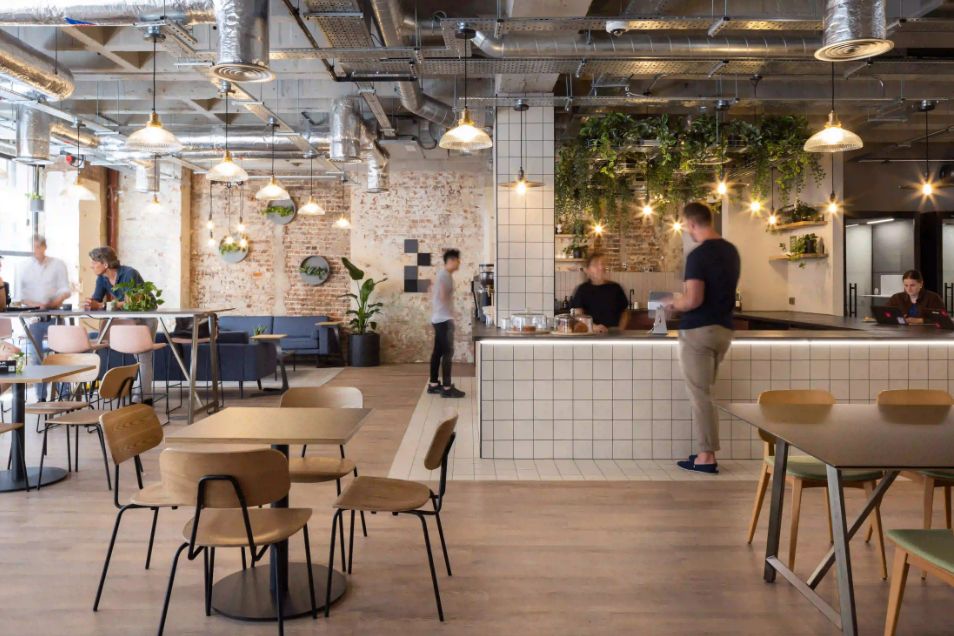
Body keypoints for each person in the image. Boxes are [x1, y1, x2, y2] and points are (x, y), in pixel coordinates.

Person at [663, 202, 740, 474]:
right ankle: (705, 452)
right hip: (723, 330)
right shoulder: (731, 251)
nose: (687, 230)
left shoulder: (698, 255)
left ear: (692, 223)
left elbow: (694, 299)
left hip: (699, 331)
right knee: (705, 392)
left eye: (686, 225)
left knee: (700, 396)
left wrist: (673, 303)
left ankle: (707, 456)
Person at [84, 247, 155, 402]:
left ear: (105, 264)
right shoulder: (102, 278)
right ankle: (138, 393)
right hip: (128, 318)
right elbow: (97, 300)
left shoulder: (129, 273)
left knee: (143, 356)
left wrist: (102, 305)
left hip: (146, 316)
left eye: (94, 262)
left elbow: (132, 301)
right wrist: (90, 304)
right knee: (138, 356)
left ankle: (145, 397)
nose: (91, 266)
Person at [15, 236, 71, 400]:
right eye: (33, 247)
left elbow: (65, 290)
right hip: (34, 318)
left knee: (61, 356)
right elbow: (19, 296)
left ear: (45, 247)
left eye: (39, 247)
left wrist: (53, 303)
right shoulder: (23, 267)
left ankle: (65, 394)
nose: (36, 250)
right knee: (36, 357)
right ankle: (41, 397)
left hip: (55, 315)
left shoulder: (57, 264)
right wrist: (36, 305)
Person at [428, 249, 465, 398]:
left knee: (438, 352)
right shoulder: (445, 276)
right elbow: (443, 296)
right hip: (444, 320)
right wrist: (450, 314)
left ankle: (433, 384)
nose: (459, 263)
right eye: (458, 260)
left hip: (438, 318)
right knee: (448, 353)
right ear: (451, 261)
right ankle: (447, 388)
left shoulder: (443, 275)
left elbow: (437, 293)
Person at [570, 253, 630, 333]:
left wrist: (620, 329)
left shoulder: (616, 288)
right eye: (595, 265)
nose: (601, 267)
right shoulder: (582, 290)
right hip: (591, 335)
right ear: (587, 270)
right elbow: (578, 315)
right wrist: (593, 327)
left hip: (613, 335)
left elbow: (625, 312)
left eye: (602, 264)